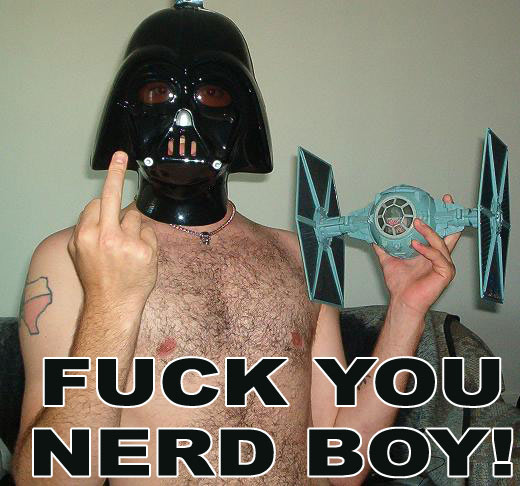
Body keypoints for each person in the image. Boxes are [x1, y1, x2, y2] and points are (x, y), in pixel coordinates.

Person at [12, 2, 459, 485]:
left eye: (211, 93)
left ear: (243, 116)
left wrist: (407, 311)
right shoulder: (72, 258)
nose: (183, 120)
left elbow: (343, 462)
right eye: (158, 92)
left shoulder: (303, 254)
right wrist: (110, 304)